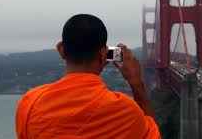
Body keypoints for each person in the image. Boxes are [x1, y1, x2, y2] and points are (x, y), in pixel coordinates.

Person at [16, 14, 161, 139]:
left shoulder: (29, 103)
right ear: (104, 55)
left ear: (61, 50)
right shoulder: (124, 110)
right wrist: (137, 83)